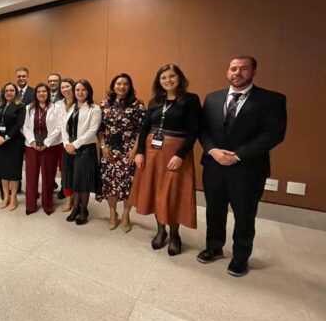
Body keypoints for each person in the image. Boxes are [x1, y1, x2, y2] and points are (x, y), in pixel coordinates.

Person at [197, 56, 287, 277]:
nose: (237, 73)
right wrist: (213, 151)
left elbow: (273, 135)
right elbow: (203, 129)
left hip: (248, 168)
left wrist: (237, 155)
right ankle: (214, 247)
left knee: (244, 215)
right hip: (214, 165)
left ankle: (240, 257)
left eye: (243, 69)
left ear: (254, 72)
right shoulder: (213, 98)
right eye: (233, 68)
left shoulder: (272, 100)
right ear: (228, 71)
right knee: (214, 210)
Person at [130, 64, 201, 256]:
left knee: (172, 193)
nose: (168, 80)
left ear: (179, 78)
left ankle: (175, 235)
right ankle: (160, 231)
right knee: (155, 191)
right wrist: (140, 152)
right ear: (159, 81)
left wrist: (181, 154)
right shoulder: (155, 101)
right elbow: (145, 128)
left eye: (171, 76)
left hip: (175, 154)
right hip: (152, 153)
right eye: (163, 78)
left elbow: (195, 130)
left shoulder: (190, 100)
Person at [96, 73, 146, 233]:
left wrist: (135, 150)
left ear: (130, 87)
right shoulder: (104, 104)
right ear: (113, 86)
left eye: (125, 84)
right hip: (109, 150)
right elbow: (100, 129)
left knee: (127, 184)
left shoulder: (137, 105)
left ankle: (125, 214)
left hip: (128, 149)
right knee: (110, 183)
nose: (121, 87)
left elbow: (142, 130)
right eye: (118, 83)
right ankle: (112, 213)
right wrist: (103, 147)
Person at [61, 79, 101, 225]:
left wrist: (75, 145)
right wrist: (66, 144)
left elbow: (92, 131)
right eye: (77, 90)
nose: (80, 92)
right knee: (73, 179)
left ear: (89, 91)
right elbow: (62, 128)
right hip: (69, 148)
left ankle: (84, 209)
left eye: (83, 89)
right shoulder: (70, 107)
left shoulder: (94, 109)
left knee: (82, 181)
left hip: (85, 148)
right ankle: (75, 207)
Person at [22, 83, 63, 215]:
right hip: (32, 146)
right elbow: (25, 127)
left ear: (48, 93)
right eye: (38, 91)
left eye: (44, 91)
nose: (41, 94)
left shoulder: (56, 107)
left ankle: (47, 204)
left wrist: (47, 143)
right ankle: (30, 205)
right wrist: (32, 141)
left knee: (48, 176)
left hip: (50, 146)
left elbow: (59, 127)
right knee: (31, 176)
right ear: (36, 94)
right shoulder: (29, 108)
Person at [0, 82, 26, 210]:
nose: (9, 92)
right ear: (3, 92)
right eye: (7, 90)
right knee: (3, 171)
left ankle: (14, 198)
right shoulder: (0, 106)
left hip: (13, 143)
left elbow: (19, 125)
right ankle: (6, 196)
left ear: (16, 92)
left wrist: (5, 138)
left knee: (13, 172)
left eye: (12, 90)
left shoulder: (20, 106)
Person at [57, 78, 76, 211]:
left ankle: (78, 199)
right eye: (62, 87)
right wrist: (66, 143)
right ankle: (69, 199)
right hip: (64, 144)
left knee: (77, 173)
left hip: (79, 144)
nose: (65, 89)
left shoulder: (80, 103)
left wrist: (74, 144)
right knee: (67, 173)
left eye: (67, 86)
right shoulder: (58, 104)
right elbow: (59, 126)